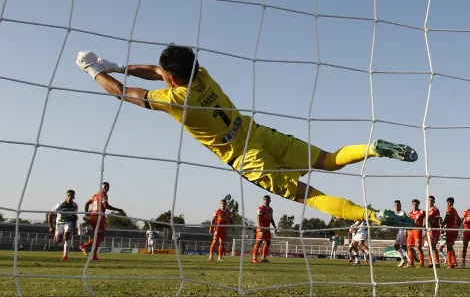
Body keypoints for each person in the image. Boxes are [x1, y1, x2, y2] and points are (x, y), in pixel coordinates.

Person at [75, 46, 418, 227]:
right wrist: (116, 64)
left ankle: (373, 216)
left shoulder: (175, 99)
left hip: (248, 159)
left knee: (310, 197)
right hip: (259, 133)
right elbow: (156, 70)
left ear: (172, 79)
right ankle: (373, 148)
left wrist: (94, 71)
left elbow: (124, 93)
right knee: (329, 159)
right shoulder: (203, 76)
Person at [79, 182, 126, 261]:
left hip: (93, 217)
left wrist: (87, 214)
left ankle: (94, 255)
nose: (107, 188)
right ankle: (85, 246)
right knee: (100, 237)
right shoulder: (103, 195)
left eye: (108, 187)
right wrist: (118, 210)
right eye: (105, 187)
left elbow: (87, 203)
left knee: (97, 237)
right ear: (102, 187)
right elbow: (106, 206)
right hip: (99, 217)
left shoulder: (95, 195)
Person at [48, 190, 78, 260]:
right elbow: (50, 214)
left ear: (74, 197)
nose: (70, 197)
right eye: (69, 196)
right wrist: (51, 226)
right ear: (66, 196)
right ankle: (62, 240)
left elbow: (74, 217)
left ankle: (65, 255)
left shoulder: (75, 206)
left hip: (68, 222)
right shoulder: (60, 205)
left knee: (67, 236)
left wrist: (75, 227)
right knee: (58, 240)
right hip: (59, 223)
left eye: (72, 196)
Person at [253, 195, 277, 263]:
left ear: (270, 201)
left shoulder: (271, 209)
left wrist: (275, 227)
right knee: (259, 242)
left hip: (267, 229)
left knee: (268, 242)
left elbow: (271, 218)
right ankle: (254, 258)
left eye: (267, 199)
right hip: (261, 228)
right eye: (264, 199)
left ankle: (264, 258)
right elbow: (258, 217)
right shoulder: (261, 208)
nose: (266, 201)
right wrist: (260, 228)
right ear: (263, 200)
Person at [442, 197, 461, 269]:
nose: (447, 204)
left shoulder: (449, 210)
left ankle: (450, 264)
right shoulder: (455, 211)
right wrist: (457, 227)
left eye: (448, 202)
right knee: (450, 246)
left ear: (452, 203)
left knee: (449, 247)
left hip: (450, 230)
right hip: (454, 230)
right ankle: (454, 263)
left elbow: (446, 218)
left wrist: (442, 226)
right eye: (447, 203)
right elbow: (459, 220)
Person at [406, 199, 425, 268]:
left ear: (418, 205)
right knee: (409, 247)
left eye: (416, 204)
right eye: (413, 204)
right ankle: (411, 263)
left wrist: (424, 225)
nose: (414, 205)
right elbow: (407, 222)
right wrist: (406, 230)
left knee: (418, 247)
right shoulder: (409, 213)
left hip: (417, 231)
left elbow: (426, 218)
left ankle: (421, 263)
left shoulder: (421, 212)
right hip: (410, 231)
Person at [426, 195, 442, 268]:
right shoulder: (427, 210)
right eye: (429, 200)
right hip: (429, 230)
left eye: (432, 200)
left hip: (434, 230)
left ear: (434, 201)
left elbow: (436, 220)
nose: (430, 201)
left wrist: (430, 221)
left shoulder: (435, 210)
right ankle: (431, 262)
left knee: (433, 246)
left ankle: (437, 262)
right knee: (429, 247)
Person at [393, 200, 409, 267]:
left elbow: (406, 221)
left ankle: (403, 259)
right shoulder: (395, 214)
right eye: (395, 205)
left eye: (398, 205)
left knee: (396, 246)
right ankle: (409, 260)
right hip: (399, 231)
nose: (396, 206)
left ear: (400, 205)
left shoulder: (402, 213)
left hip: (402, 231)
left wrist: (405, 230)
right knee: (404, 247)